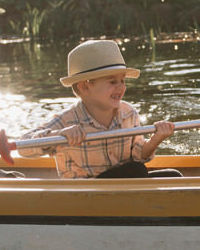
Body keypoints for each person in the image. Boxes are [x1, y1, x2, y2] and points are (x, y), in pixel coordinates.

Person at [17, 39, 180, 179]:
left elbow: (139, 155)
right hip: (85, 193)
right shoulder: (67, 120)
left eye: (122, 81)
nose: (121, 87)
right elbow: (23, 147)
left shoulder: (129, 113)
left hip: (124, 182)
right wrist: (57, 135)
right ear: (84, 88)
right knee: (135, 170)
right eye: (112, 82)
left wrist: (155, 139)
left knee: (173, 176)